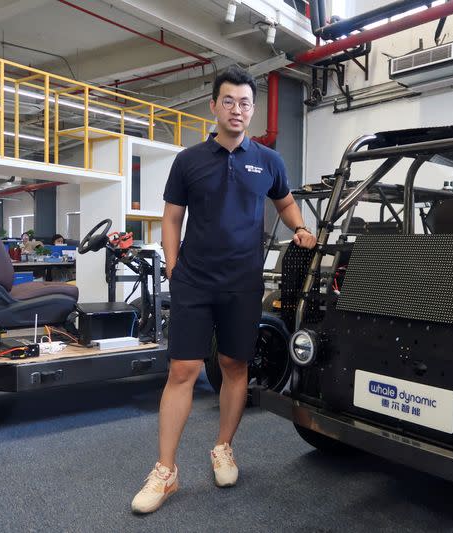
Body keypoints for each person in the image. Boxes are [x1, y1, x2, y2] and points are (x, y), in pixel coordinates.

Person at [131, 66, 317, 514]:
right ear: (213, 106)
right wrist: (174, 269)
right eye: (229, 101)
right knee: (183, 370)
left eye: (246, 103)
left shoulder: (268, 160)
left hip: (242, 280)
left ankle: (223, 448)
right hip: (195, 278)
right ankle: (166, 470)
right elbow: (172, 218)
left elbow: (285, 201)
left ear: (253, 111)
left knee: (235, 365)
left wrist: (300, 227)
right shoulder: (188, 160)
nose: (238, 109)